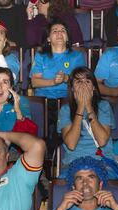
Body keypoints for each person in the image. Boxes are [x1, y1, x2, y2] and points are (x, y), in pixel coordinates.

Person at [30, 19, 86, 154]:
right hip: (45, 101)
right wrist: (54, 82)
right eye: (55, 31)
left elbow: (82, 81)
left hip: (68, 100)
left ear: (67, 37)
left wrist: (66, 78)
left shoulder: (76, 56)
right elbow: (35, 82)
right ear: (48, 38)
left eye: (63, 31)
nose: (59, 33)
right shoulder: (41, 56)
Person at [58, 67, 115, 175]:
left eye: (87, 81)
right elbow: (71, 144)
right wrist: (80, 107)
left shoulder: (104, 106)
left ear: (93, 87)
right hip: (73, 162)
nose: (83, 85)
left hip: (101, 162)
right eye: (79, 81)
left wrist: (88, 106)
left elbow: (102, 141)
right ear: (72, 88)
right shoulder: (65, 110)